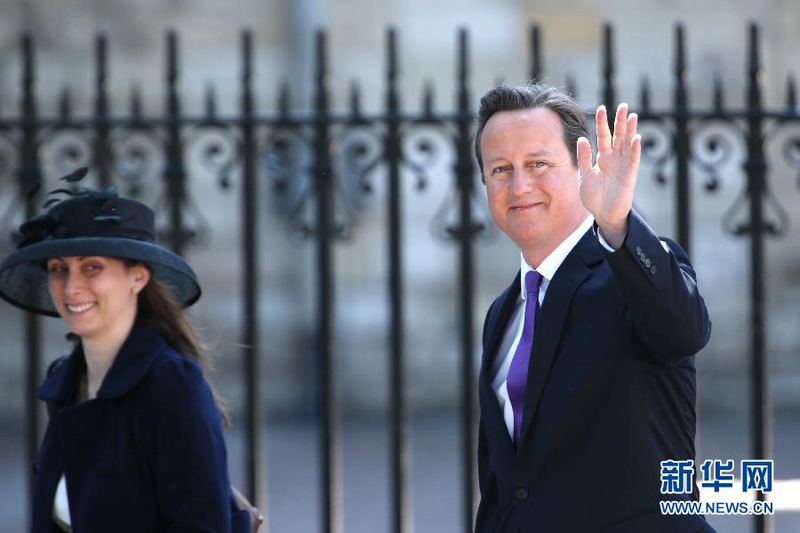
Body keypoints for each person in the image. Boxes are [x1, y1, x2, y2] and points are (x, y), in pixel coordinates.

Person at [474, 84, 714, 532]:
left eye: (538, 164)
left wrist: (619, 224)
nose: (519, 185)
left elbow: (685, 331)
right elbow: (508, 485)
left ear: (582, 168)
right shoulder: (504, 313)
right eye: (501, 169)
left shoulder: (628, 275)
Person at [0, 169, 258, 532]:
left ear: (137, 277)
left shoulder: (171, 384)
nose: (72, 287)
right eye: (59, 269)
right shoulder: (64, 382)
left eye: (92, 267)